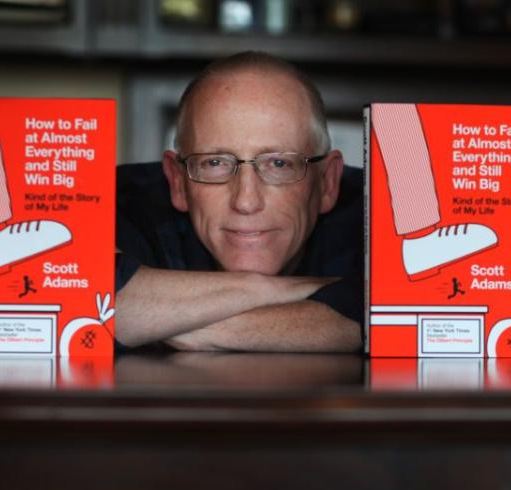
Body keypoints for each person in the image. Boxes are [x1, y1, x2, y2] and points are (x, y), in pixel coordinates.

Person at [114, 52, 363, 352]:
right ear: (178, 182)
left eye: (279, 164)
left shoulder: (382, 216)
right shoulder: (119, 203)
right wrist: (295, 293)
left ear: (327, 183)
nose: (246, 201)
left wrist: (164, 320)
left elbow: (402, 312)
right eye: (215, 162)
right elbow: (82, 301)